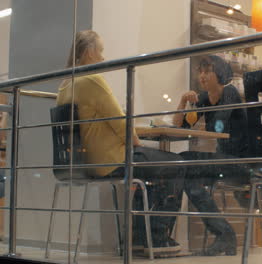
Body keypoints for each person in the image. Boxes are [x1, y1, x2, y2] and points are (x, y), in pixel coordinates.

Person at [56, 30, 185, 254]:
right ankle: (156, 239)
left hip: (84, 161)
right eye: (101, 51)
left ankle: (136, 238)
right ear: (89, 52)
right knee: (176, 164)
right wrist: (138, 144)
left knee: (149, 168)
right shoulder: (92, 79)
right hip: (109, 161)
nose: (104, 58)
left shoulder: (65, 85)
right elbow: (121, 122)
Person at [173, 55, 251, 256]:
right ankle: (225, 234)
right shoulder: (205, 98)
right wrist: (183, 101)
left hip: (241, 162)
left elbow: (218, 127)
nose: (202, 76)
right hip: (223, 160)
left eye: (207, 71)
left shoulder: (230, 92)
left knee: (184, 159)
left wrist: (200, 107)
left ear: (220, 74)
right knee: (187, 175)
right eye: (200, 72)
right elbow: (179, 126)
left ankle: (225, 235)